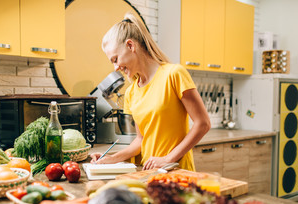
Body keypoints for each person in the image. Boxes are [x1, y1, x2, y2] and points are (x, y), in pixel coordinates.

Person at [90, 12, 211, 171]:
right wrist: (111, 159)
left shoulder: (173, 74)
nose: (116, 67)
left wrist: (168, 159)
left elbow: (203, 123)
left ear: (130, 46)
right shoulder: (131, 92)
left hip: (176, 171)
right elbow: (141, 140)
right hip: (147, 172)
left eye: (115, 59)